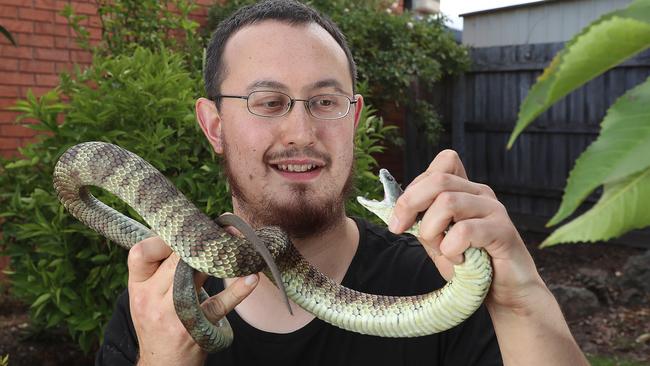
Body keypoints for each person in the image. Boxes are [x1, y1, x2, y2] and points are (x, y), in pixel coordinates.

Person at [96, 1, 589, 365]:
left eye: (325, 101)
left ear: (353, 119)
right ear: (214, 126)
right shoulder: (155, 311)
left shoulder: (438, 277)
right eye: (268, 102)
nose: (302, 133)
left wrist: (521, 302)